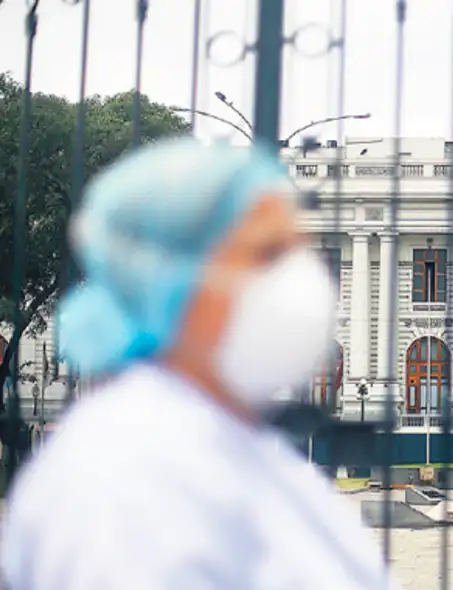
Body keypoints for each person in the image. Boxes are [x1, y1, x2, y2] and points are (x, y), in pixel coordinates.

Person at [0, 138, 393, 590]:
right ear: (173, 278)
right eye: (268, 254)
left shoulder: (237, 444)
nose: (304, 279)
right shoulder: (126, 473)